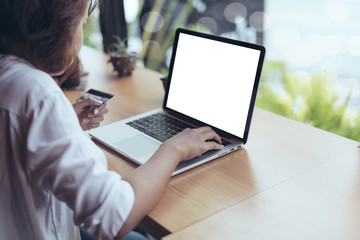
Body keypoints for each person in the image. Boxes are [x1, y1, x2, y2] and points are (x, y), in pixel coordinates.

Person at [0, 1, 223, 240]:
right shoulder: (38, 94)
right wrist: (173, 148)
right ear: (58, 26)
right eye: (82, 24)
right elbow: (113, 218)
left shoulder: (10, 76)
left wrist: (65, 125)